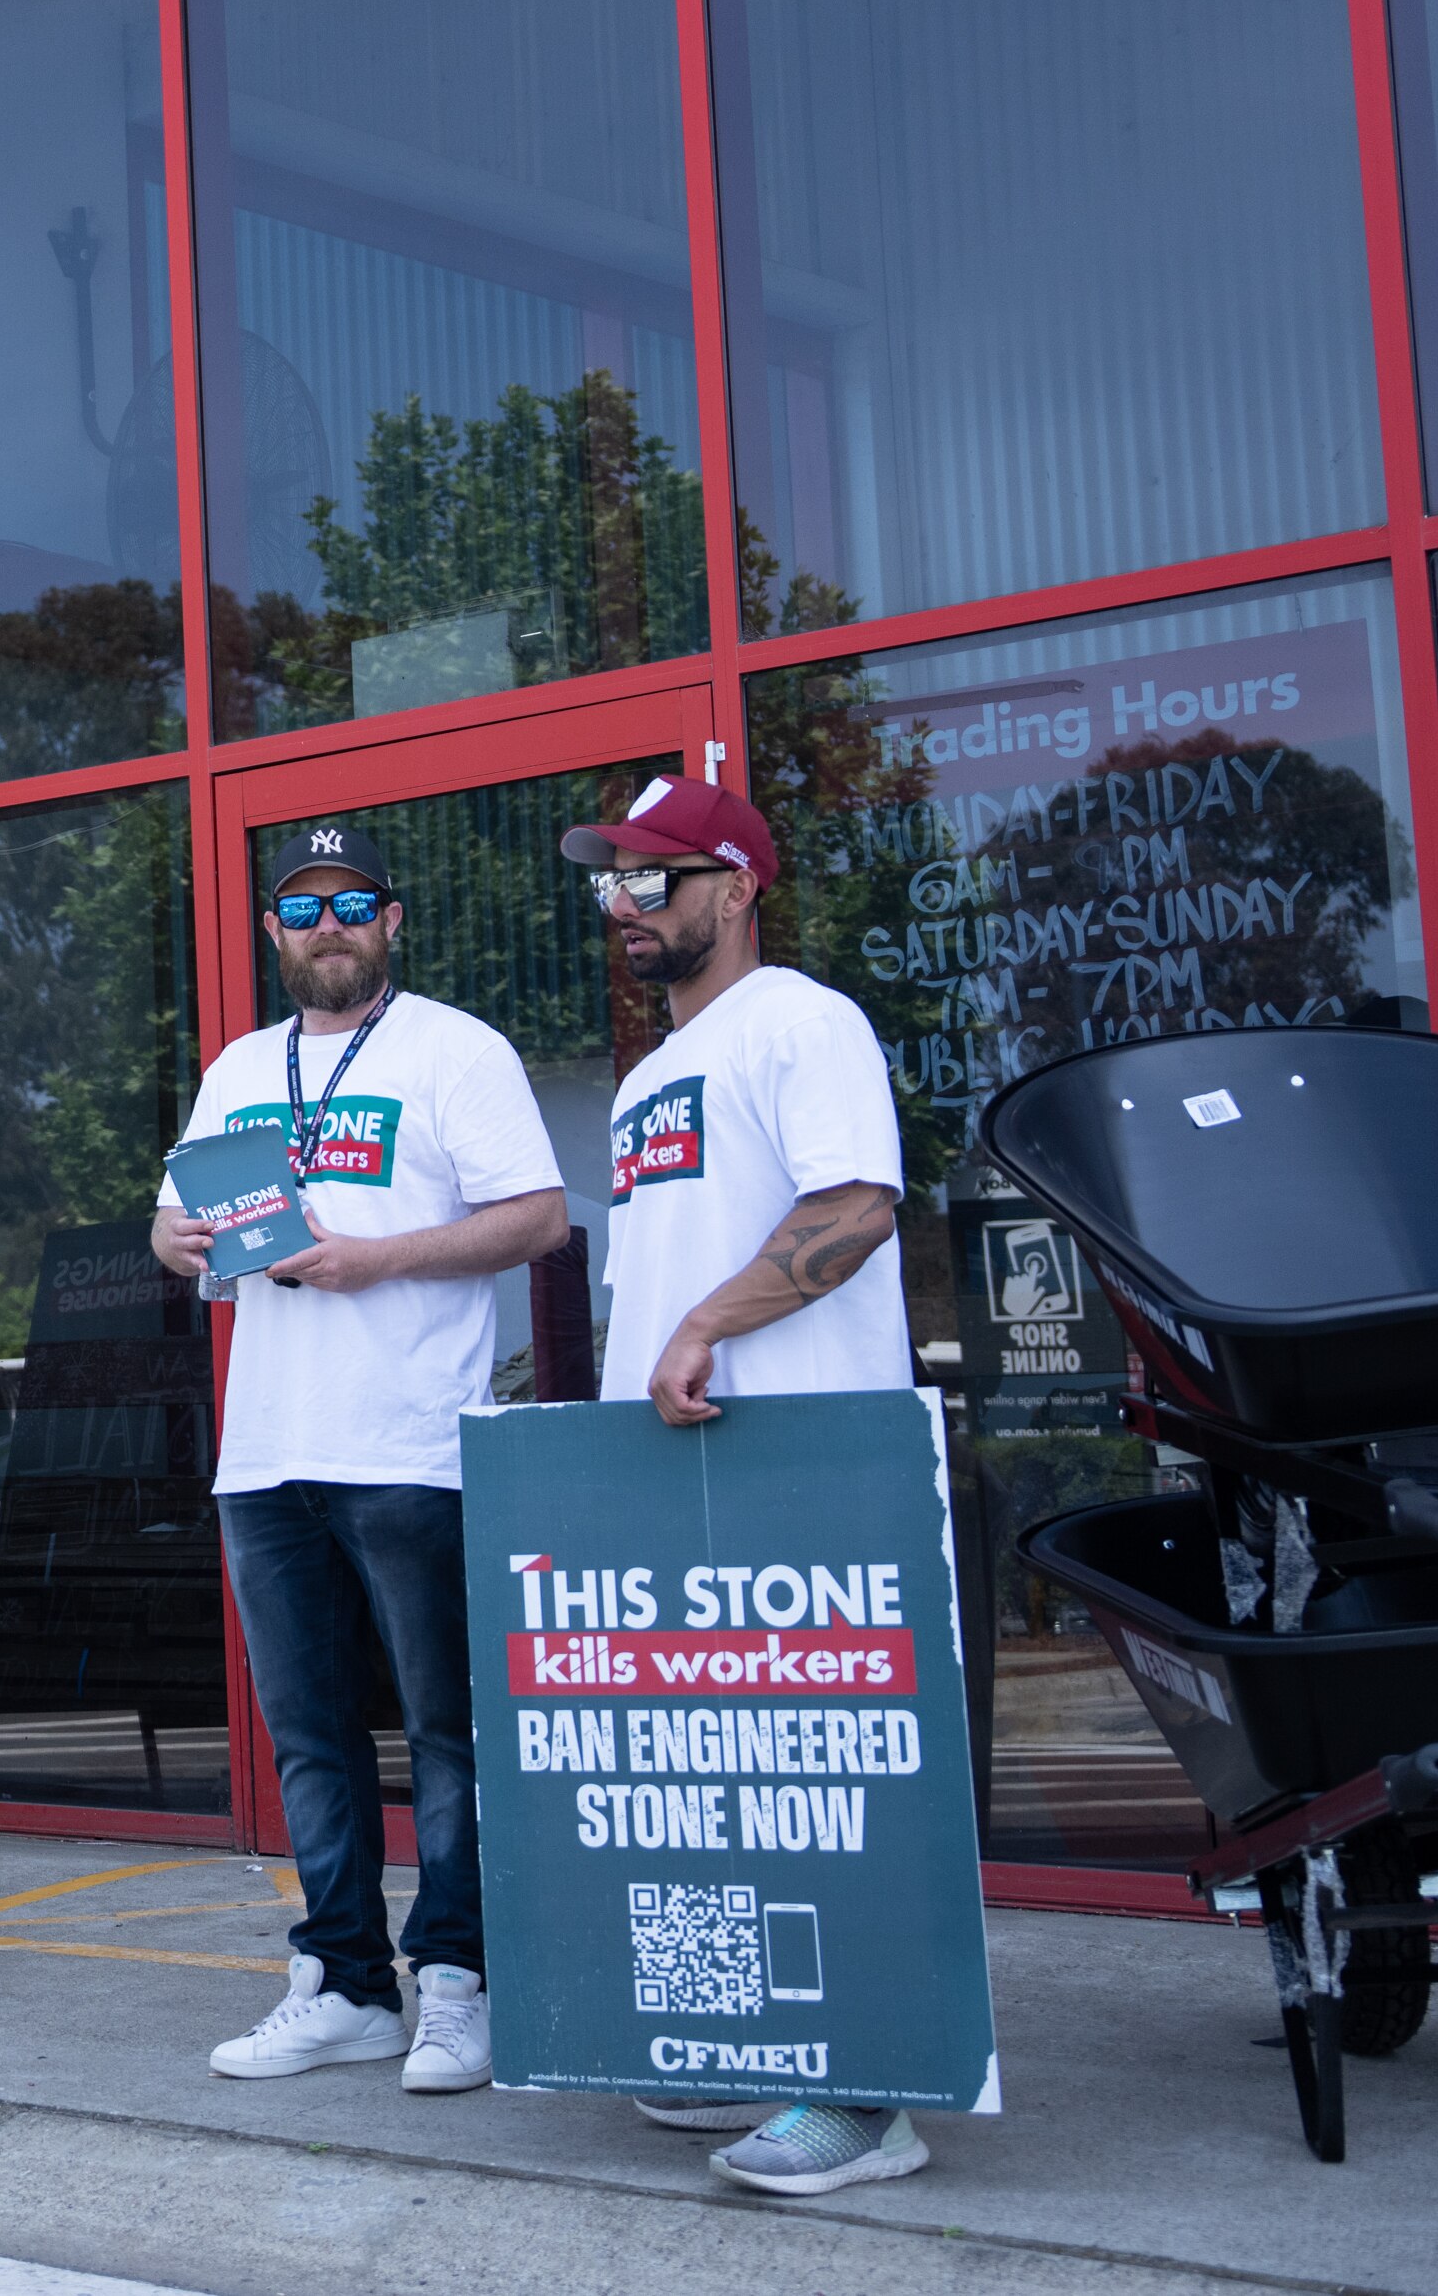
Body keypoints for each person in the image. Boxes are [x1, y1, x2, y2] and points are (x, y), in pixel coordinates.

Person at [149, 824, 569, 2096]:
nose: (325, 925)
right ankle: (342, 1982)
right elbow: (176, 1214)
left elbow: (539, 1217)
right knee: (310, 1739)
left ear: (392, 922)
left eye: (351, 904)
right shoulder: (236, 1066)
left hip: (412, 1444)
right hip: (267, 1447)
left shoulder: (456, 1049)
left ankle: (458, 1981)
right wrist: (179, 1240)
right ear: (273, 931)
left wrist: (369, 1257)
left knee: (449, 1733)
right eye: (300, 907)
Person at [562, 773, 917, 2196]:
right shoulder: (653, 1071)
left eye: (655, 878)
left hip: (802, 1457)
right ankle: (737, 2043)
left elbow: (854, 1205)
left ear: (739, 885)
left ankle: (869, 2096)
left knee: (827, 1784)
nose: (627, 906)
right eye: (612, 884)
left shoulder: (804, 1020)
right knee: (705, 1782)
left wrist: (706, 1322)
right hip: (678, 1472)